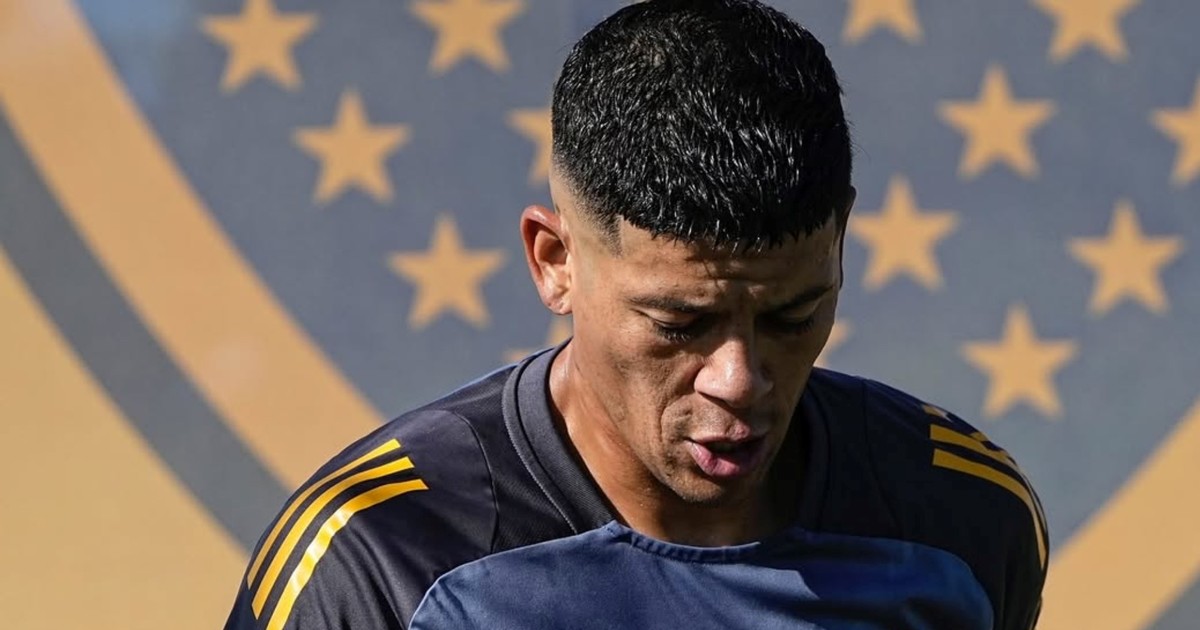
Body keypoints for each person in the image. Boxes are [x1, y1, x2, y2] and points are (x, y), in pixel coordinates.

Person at [225, 1, 1047, 628]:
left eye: (791, 317)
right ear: (555, 262)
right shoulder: (379, 555)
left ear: (840, 245)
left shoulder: (963, 519)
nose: (739, 381)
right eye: (679, 326)